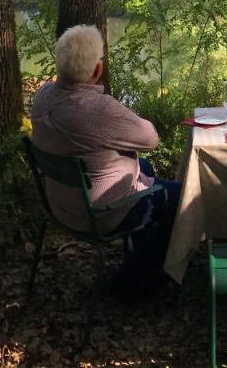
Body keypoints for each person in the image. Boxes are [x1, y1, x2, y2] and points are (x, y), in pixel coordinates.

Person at [30, 24, 180, 288]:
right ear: (98, 70)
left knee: (145, 168)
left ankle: (143, 247)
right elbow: (150, 138)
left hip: (61, 204)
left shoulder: (42, 96)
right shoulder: (98, 109)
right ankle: (136, 283)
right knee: (180, 196)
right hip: (98, 214)